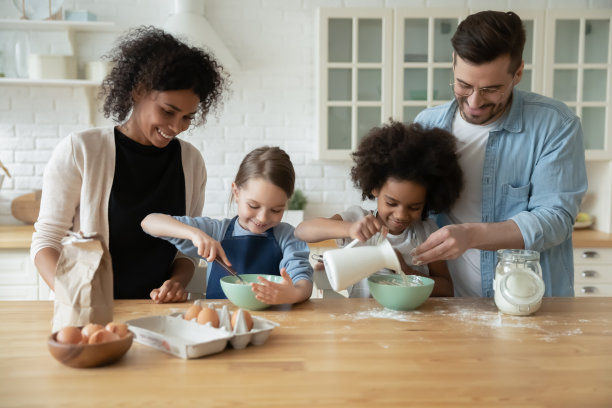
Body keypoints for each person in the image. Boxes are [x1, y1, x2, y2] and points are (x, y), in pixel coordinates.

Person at [31, 26, 227, 303]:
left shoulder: (191, 162)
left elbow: (184, 253)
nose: (176, 127)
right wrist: (71, 297)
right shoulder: (82, 151)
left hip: (161, 315)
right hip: (90, 313)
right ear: (138, 91)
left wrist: (176, 282)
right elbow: (46, 241)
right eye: (168, 111)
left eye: (187, 117)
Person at [412, 11, 588, 297]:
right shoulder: (427, 125)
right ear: (453, 64)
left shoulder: (555, 124)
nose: (474, 102)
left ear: (518, 72)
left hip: (529, 304)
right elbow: (405, 209)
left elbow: (556, 219)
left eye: (491, 89)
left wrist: (470, 236)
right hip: (446, 303)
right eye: (464, 85)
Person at [294, 121, 463, 297]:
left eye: (414, 207)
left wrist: (405, 271)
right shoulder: (357, 219)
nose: (401, 215)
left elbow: (446, 289)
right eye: (391, 203)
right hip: (361, 322)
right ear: (374, 188)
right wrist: (350, 229)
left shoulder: (427, 234)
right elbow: (302, 231)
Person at [141, 146, 314, 305]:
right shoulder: (216, 231)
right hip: (221, 325)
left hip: (274, 324)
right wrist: (194, 234)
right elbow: (149, 222)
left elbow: (302, 282)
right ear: (236, 192)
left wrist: (293, 294)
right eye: (253, 206)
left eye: (276, 210)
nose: (262, 218)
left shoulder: (288, 236)